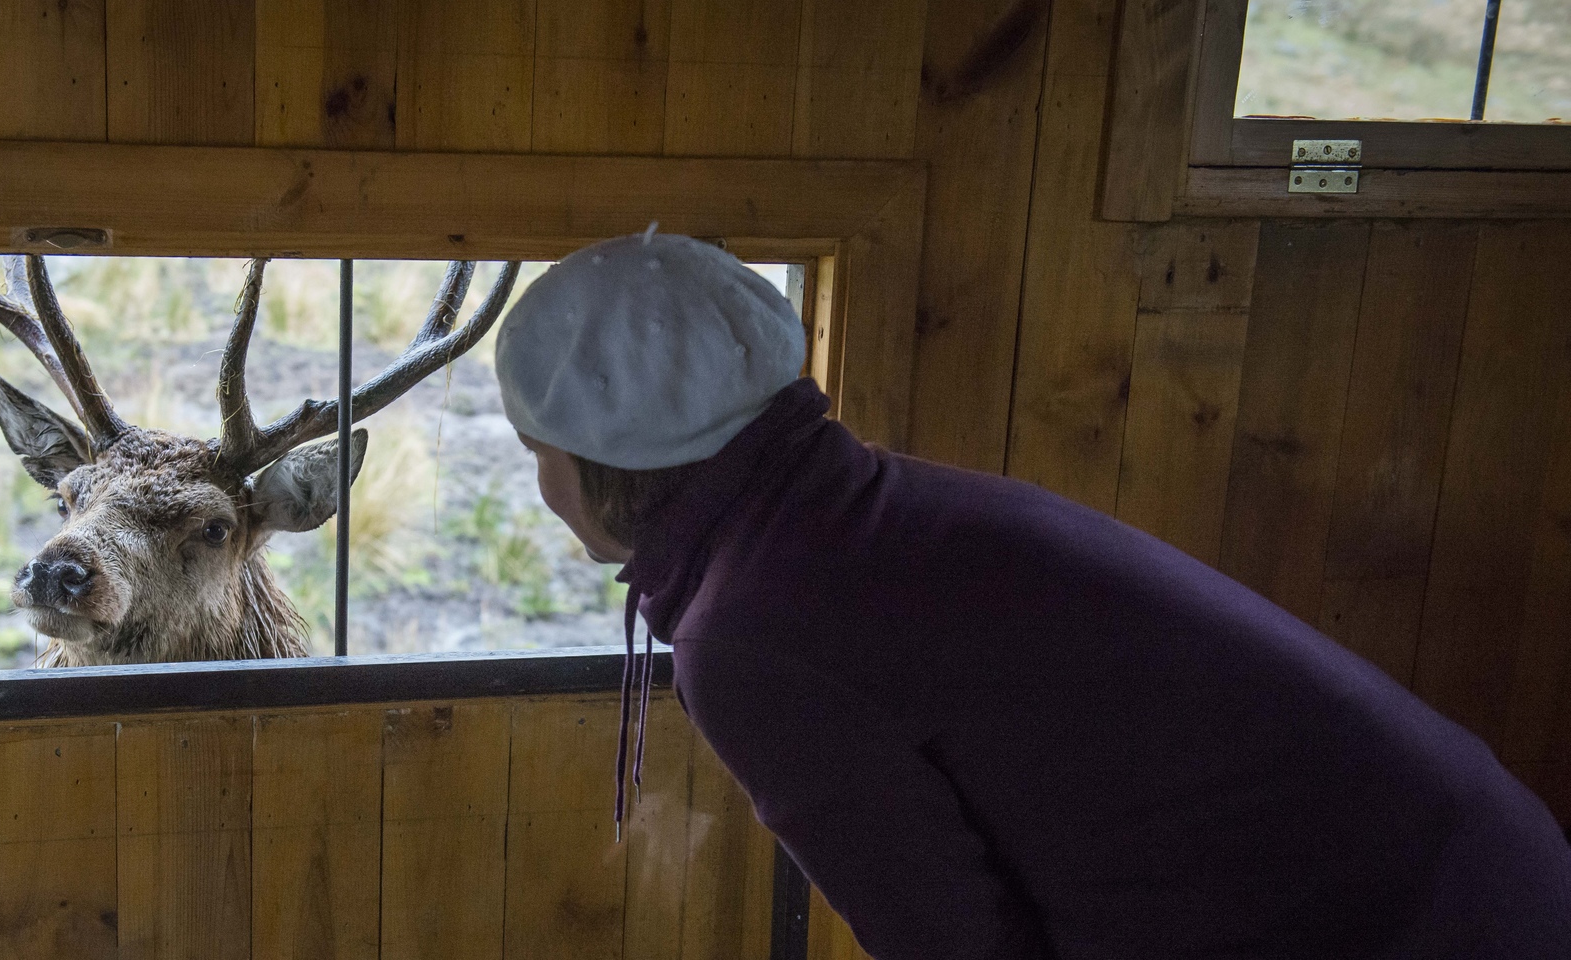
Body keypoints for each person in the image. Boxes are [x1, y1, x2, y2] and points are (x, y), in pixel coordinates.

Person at [493, 229, 1571, 959]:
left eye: (536, 450)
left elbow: (955, 943)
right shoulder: (850, 512)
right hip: (1462, 866)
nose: (539, 484)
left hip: (1400, 925)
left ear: (598, 461)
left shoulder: (752, 630)